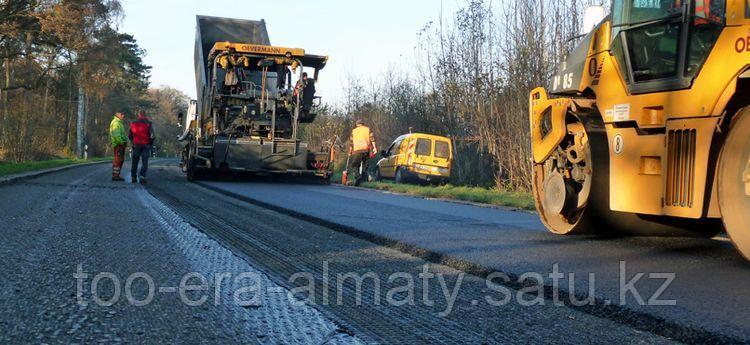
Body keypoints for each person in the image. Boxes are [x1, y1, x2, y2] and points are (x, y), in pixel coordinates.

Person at [128, 110, 155, 184]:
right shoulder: (149, 123)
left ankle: (133, 177)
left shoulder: (133, 123)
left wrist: (132, 142)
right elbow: (152, 135)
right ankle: (142, 176)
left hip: (136, 144)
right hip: (145, 145)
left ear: (138, 115)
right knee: (144, 161)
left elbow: (130, 135)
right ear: (145, 114)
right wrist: (150, 144)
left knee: (134, 161)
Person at [348, 119, 377, 186]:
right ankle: (364, 180)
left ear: (357, 124)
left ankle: (358, 177)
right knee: (365, 165)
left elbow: (351, 142)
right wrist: (374, 148)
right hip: (366, 150)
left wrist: (350, 151)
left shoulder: (354, 131)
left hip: (357, 150)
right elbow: (372, 139)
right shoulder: (367, 129)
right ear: (363, 124)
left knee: (355, 165)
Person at [109, 112, 128, 181]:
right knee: (118, 160)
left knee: (120, 160)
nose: (123, 116)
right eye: (122, 114)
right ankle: (115, 175)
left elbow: (121, 134)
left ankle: (117, 175)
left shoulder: (119, 122)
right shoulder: (116, 123)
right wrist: (121, 143)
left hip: (120, 145)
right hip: (118, 145)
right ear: (117, 115)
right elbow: (117, 135)